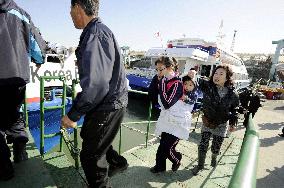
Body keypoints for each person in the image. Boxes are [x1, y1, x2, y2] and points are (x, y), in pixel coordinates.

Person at [61, 0, 128, 187]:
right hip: (111, 102)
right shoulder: (98, 31)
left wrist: (72, 115)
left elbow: (96, 85)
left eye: (70, 10)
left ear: (77, 8)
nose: (70, 15)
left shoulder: (95, 34)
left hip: (107, 104)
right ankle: (116, 163)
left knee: (91, 158)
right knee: (94, 141)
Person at [0, 0, 46, 181]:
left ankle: (4, 169)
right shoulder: (20, 14)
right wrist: (40, 60)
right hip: (17, 78)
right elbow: (38, 48)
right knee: (14, 112)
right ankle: (20, 150)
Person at [190, 65, 239, 175]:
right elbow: (196, 79)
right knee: (203, 144)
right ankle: (200, 165)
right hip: (207, 121)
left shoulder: (233, 94)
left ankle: (213, 157)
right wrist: (193, 72)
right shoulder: (207, 86)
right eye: (216, 73)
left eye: (221, 74)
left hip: (221, 124)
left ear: (227, 78)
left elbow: (235, 109)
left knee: (216, 147)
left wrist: (232, 124)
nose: (217, 76)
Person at [150, 57, 194, 173]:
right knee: (162, 145)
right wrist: (158, 81)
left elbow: (167, 104)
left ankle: (177, 159)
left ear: (169, 68)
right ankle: (160, 167)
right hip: (167, 120)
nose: (158, 72)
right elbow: (152, 95)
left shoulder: (177, 83)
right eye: (157, 70)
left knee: (167, 147)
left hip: (178, 122)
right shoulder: (163, 79)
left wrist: (162, 84)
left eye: (161, 69)